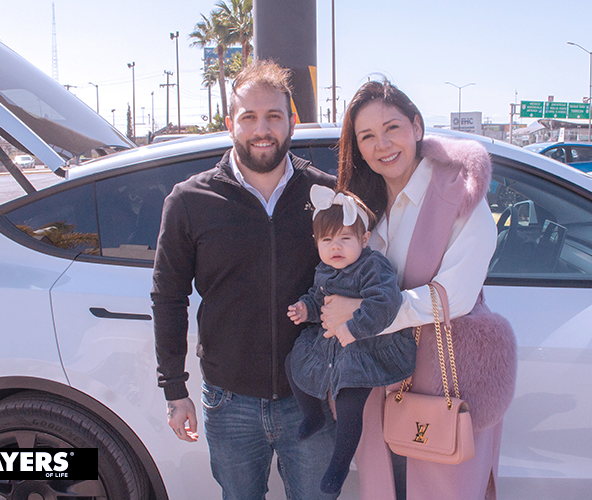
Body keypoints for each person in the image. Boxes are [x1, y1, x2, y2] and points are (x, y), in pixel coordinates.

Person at [151, 60, 339, 500]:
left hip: (311, 398)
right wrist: (174, 389)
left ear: (292, 121)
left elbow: (353, 279)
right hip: (228, 401)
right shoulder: (190, 201)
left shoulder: (326, 194)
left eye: (274, 116)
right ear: (229, 123)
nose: (262, 129)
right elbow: (168, 296)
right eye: (249, 117)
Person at [321, 78, 507, 500]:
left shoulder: (458, 193)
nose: (382, 144)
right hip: (378, 386)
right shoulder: (360, 208)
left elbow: (456, 295)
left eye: (392, 128)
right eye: (367, 136)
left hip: (442, 386)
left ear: (417, 127)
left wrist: (365, 315)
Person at [285, 184, 417, 494]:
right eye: (327, 240)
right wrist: (306, 309)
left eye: (345, 238)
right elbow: (320, 300)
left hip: (366, 347)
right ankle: (313, 414)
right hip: (332, 344)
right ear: (317, 242)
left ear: (364, 239)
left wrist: (354, 328)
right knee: (293, 361)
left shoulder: (372, 266)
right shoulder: (324, 269)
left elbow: (385, 302)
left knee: (349, 401)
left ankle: (340, 463)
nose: (336, 247)